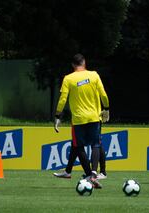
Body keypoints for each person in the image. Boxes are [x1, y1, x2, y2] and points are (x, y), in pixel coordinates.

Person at [53, 53, 110, 188]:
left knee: (79, 147)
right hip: (94, 117)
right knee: (95, 144)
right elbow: (103, 94)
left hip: (78, 119)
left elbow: (62, 99)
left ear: (73, 65)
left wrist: (57, 116)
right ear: (84, 62)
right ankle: (94, 174)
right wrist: (106, 108)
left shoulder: (68, 79)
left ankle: (89, 175)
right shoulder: (94, 75)